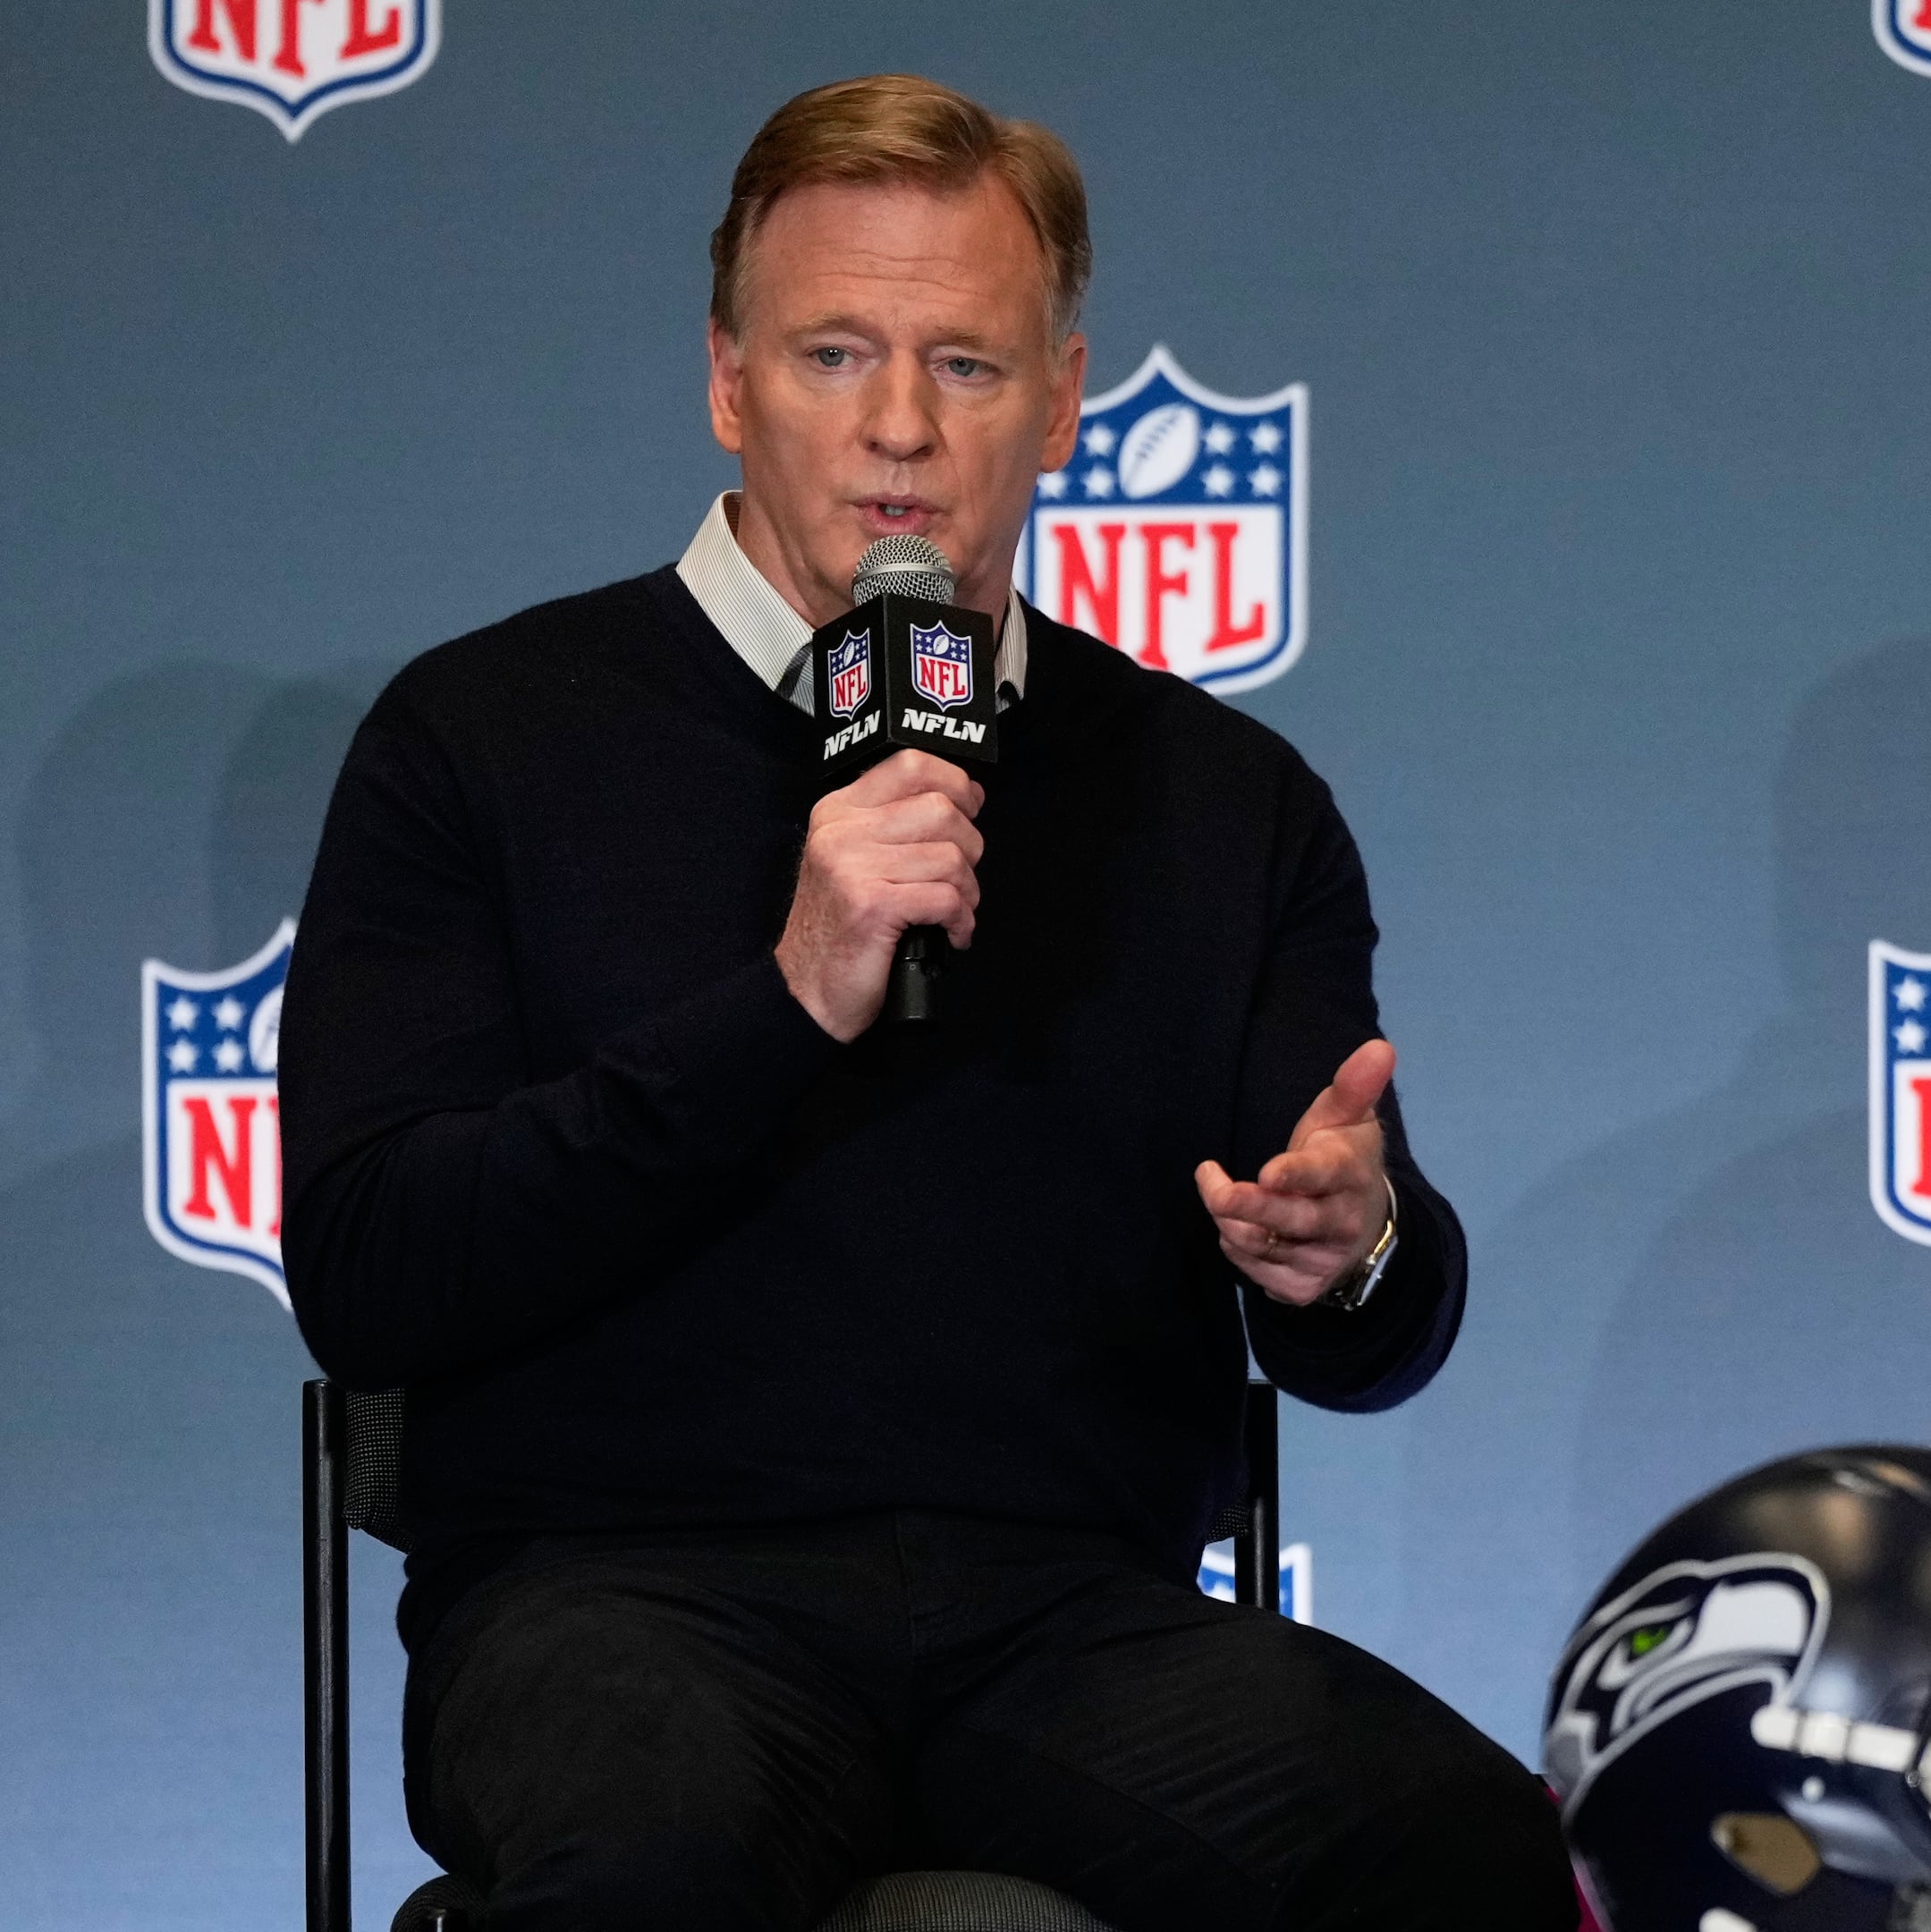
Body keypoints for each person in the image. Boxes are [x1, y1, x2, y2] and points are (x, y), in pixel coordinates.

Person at [280, 73, 1573, 1931]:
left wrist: (1351, 1251)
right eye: (833, 356)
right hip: (618, 1599)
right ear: (728, 384)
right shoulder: (480, 740)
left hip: (1065, 1623)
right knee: (651, 1864)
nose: (899, 428)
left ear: (1060, 400)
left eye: (966, 367)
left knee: (1469, 1854)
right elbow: (374, 1264)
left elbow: (1370, 1322)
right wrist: (788, 998)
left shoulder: (1219, 799)